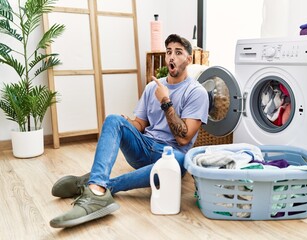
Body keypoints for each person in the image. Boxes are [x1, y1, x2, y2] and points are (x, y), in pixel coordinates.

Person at [50, 34, 209, 228]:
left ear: (189, 59)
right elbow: (141, 124)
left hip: (171, 157)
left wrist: (166, 102)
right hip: (144, 147)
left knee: (180, 160)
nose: (171, 57)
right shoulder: (153, 87)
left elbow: (184, 139)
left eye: (178, 53)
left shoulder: (196, 92)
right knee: (113, 120)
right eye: (168, 52)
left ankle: (99, 186)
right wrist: (126, 124)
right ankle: (97, 184)